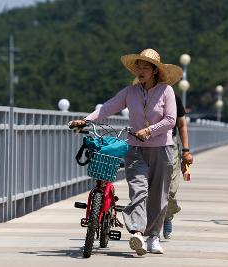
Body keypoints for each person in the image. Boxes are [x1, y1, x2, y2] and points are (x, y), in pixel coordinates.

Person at [69, 48, 183, 256]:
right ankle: (138, 232)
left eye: (145, 67)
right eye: (138, 67)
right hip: (136, 149)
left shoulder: (166, 91)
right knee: (139, 190)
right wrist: (86, 120)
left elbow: (170, 120)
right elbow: (108, 107)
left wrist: (149, 130)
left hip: (161, 148)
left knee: (159, 195)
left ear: (155, 71)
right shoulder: (130, 92)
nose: (140, 70)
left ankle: (154, 237)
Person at [163, 94, 194, 239]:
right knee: (148, 187)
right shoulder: (143, 95)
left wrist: (186, 151)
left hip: (170, 145)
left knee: (171, 188)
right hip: (147, 144)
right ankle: (152, 226)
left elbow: (181, 124)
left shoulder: (174, 97)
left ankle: (167, 216)